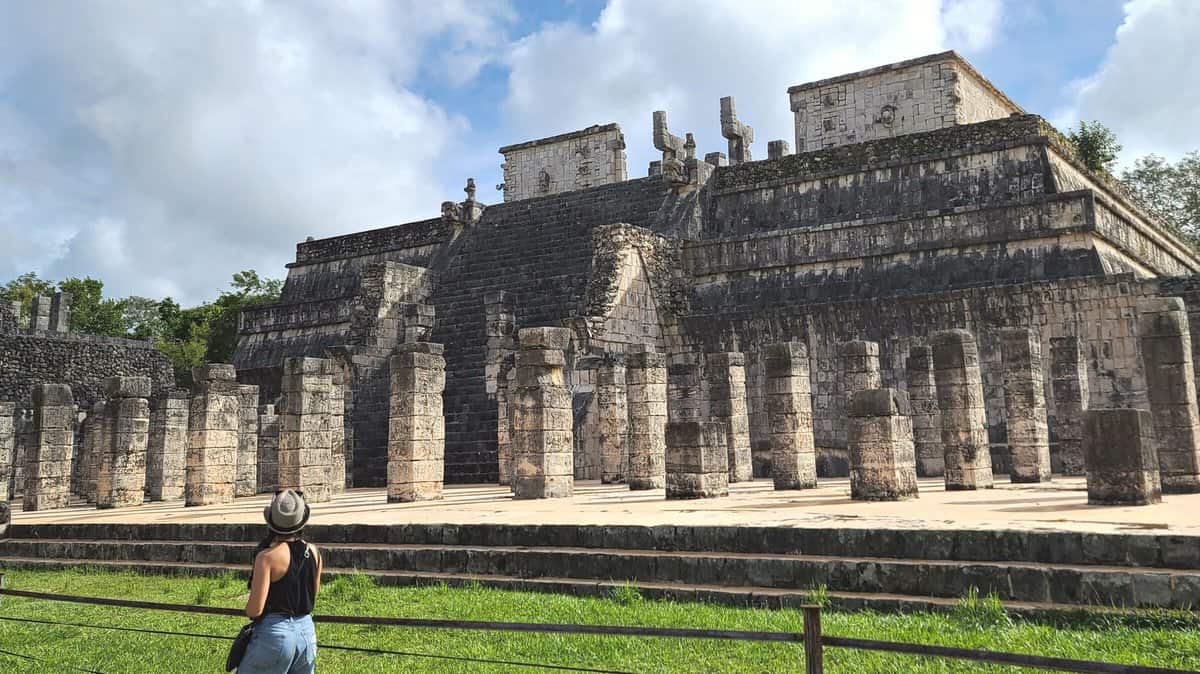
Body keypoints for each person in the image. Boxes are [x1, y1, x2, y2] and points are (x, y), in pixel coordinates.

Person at [239, 490, 323, 674]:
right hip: (306, 632)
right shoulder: (314, 552)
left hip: (276, 632)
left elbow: (255, 609)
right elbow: (312, 596)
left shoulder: (267, 557)